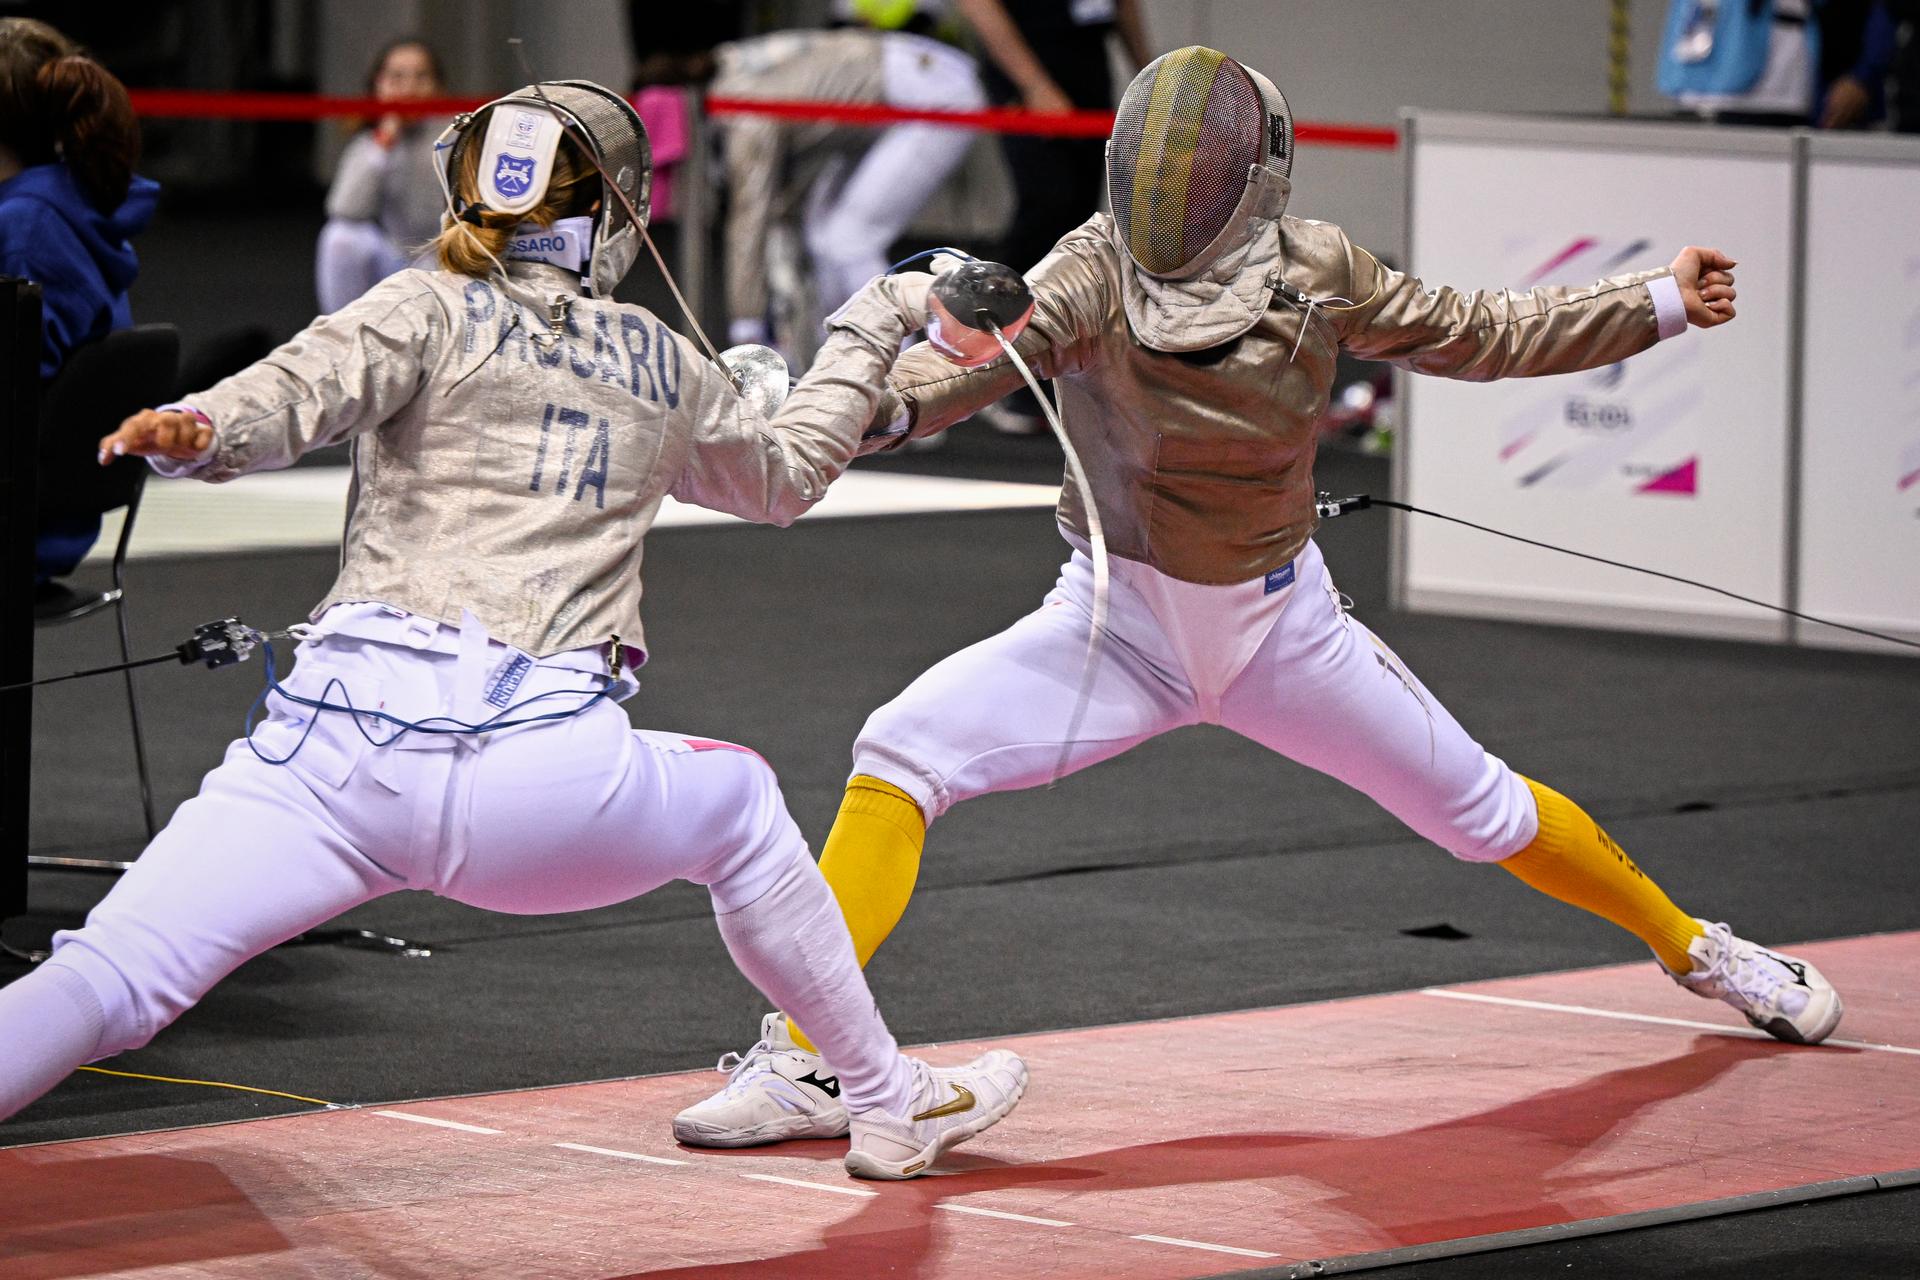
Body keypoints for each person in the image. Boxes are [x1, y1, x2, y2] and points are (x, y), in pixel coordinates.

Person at [673, 46, 1844, 1148]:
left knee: (1482, 810)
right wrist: (867, 406)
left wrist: (1659, 300)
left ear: (1250, 179)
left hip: (1285, 631)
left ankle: (1698, 947)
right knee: (901, 753)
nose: (1171, 202)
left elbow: (1484, 332)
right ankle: (815, 1054)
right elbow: (976, 366)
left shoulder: (1318, 271)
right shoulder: (1093, 265)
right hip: (1114, 623)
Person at [0, 80, 1024, 1182]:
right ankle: (879, 1097)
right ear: (618, 212)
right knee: (740, 803)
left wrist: (197, 430)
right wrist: (875, 320)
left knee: (110, 972)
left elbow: (297, 388)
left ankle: (874, 1095)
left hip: (326, 762)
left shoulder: (423, 302)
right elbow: (784, 476)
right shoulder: (661, 357)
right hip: (530, 783)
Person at [0, 17, 157, 617]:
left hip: (28, 515)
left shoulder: (27, 225)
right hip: (50, 502)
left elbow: (17, 386)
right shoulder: (64, 201)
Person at [710, 23, 986, 358]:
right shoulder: (735, 68)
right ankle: (841, 359)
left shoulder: (742, 109)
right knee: (822, 233)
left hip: (940, 93)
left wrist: (746, 330)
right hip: (898, 90)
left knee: (849, 239)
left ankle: (902, 373)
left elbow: (749, 218)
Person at [953, 0, 1149, 435]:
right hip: (1030, 59)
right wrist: (1034, 84)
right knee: (1044, 210)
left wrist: (1149, 76)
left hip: (1087, 58)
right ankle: (1003, 373)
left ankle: (1066, 372)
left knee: (1080, 223)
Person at [314, 37, 450, 314]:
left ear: (437, 85)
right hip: (391, 256)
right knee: (340, 237)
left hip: (440, 258)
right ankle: (343, 338)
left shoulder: (454, 133)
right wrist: (386, 140)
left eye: (421, 76)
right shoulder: (372, 139)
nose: (409, 86)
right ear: (379, 82)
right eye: (397, 76)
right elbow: (344, 209)